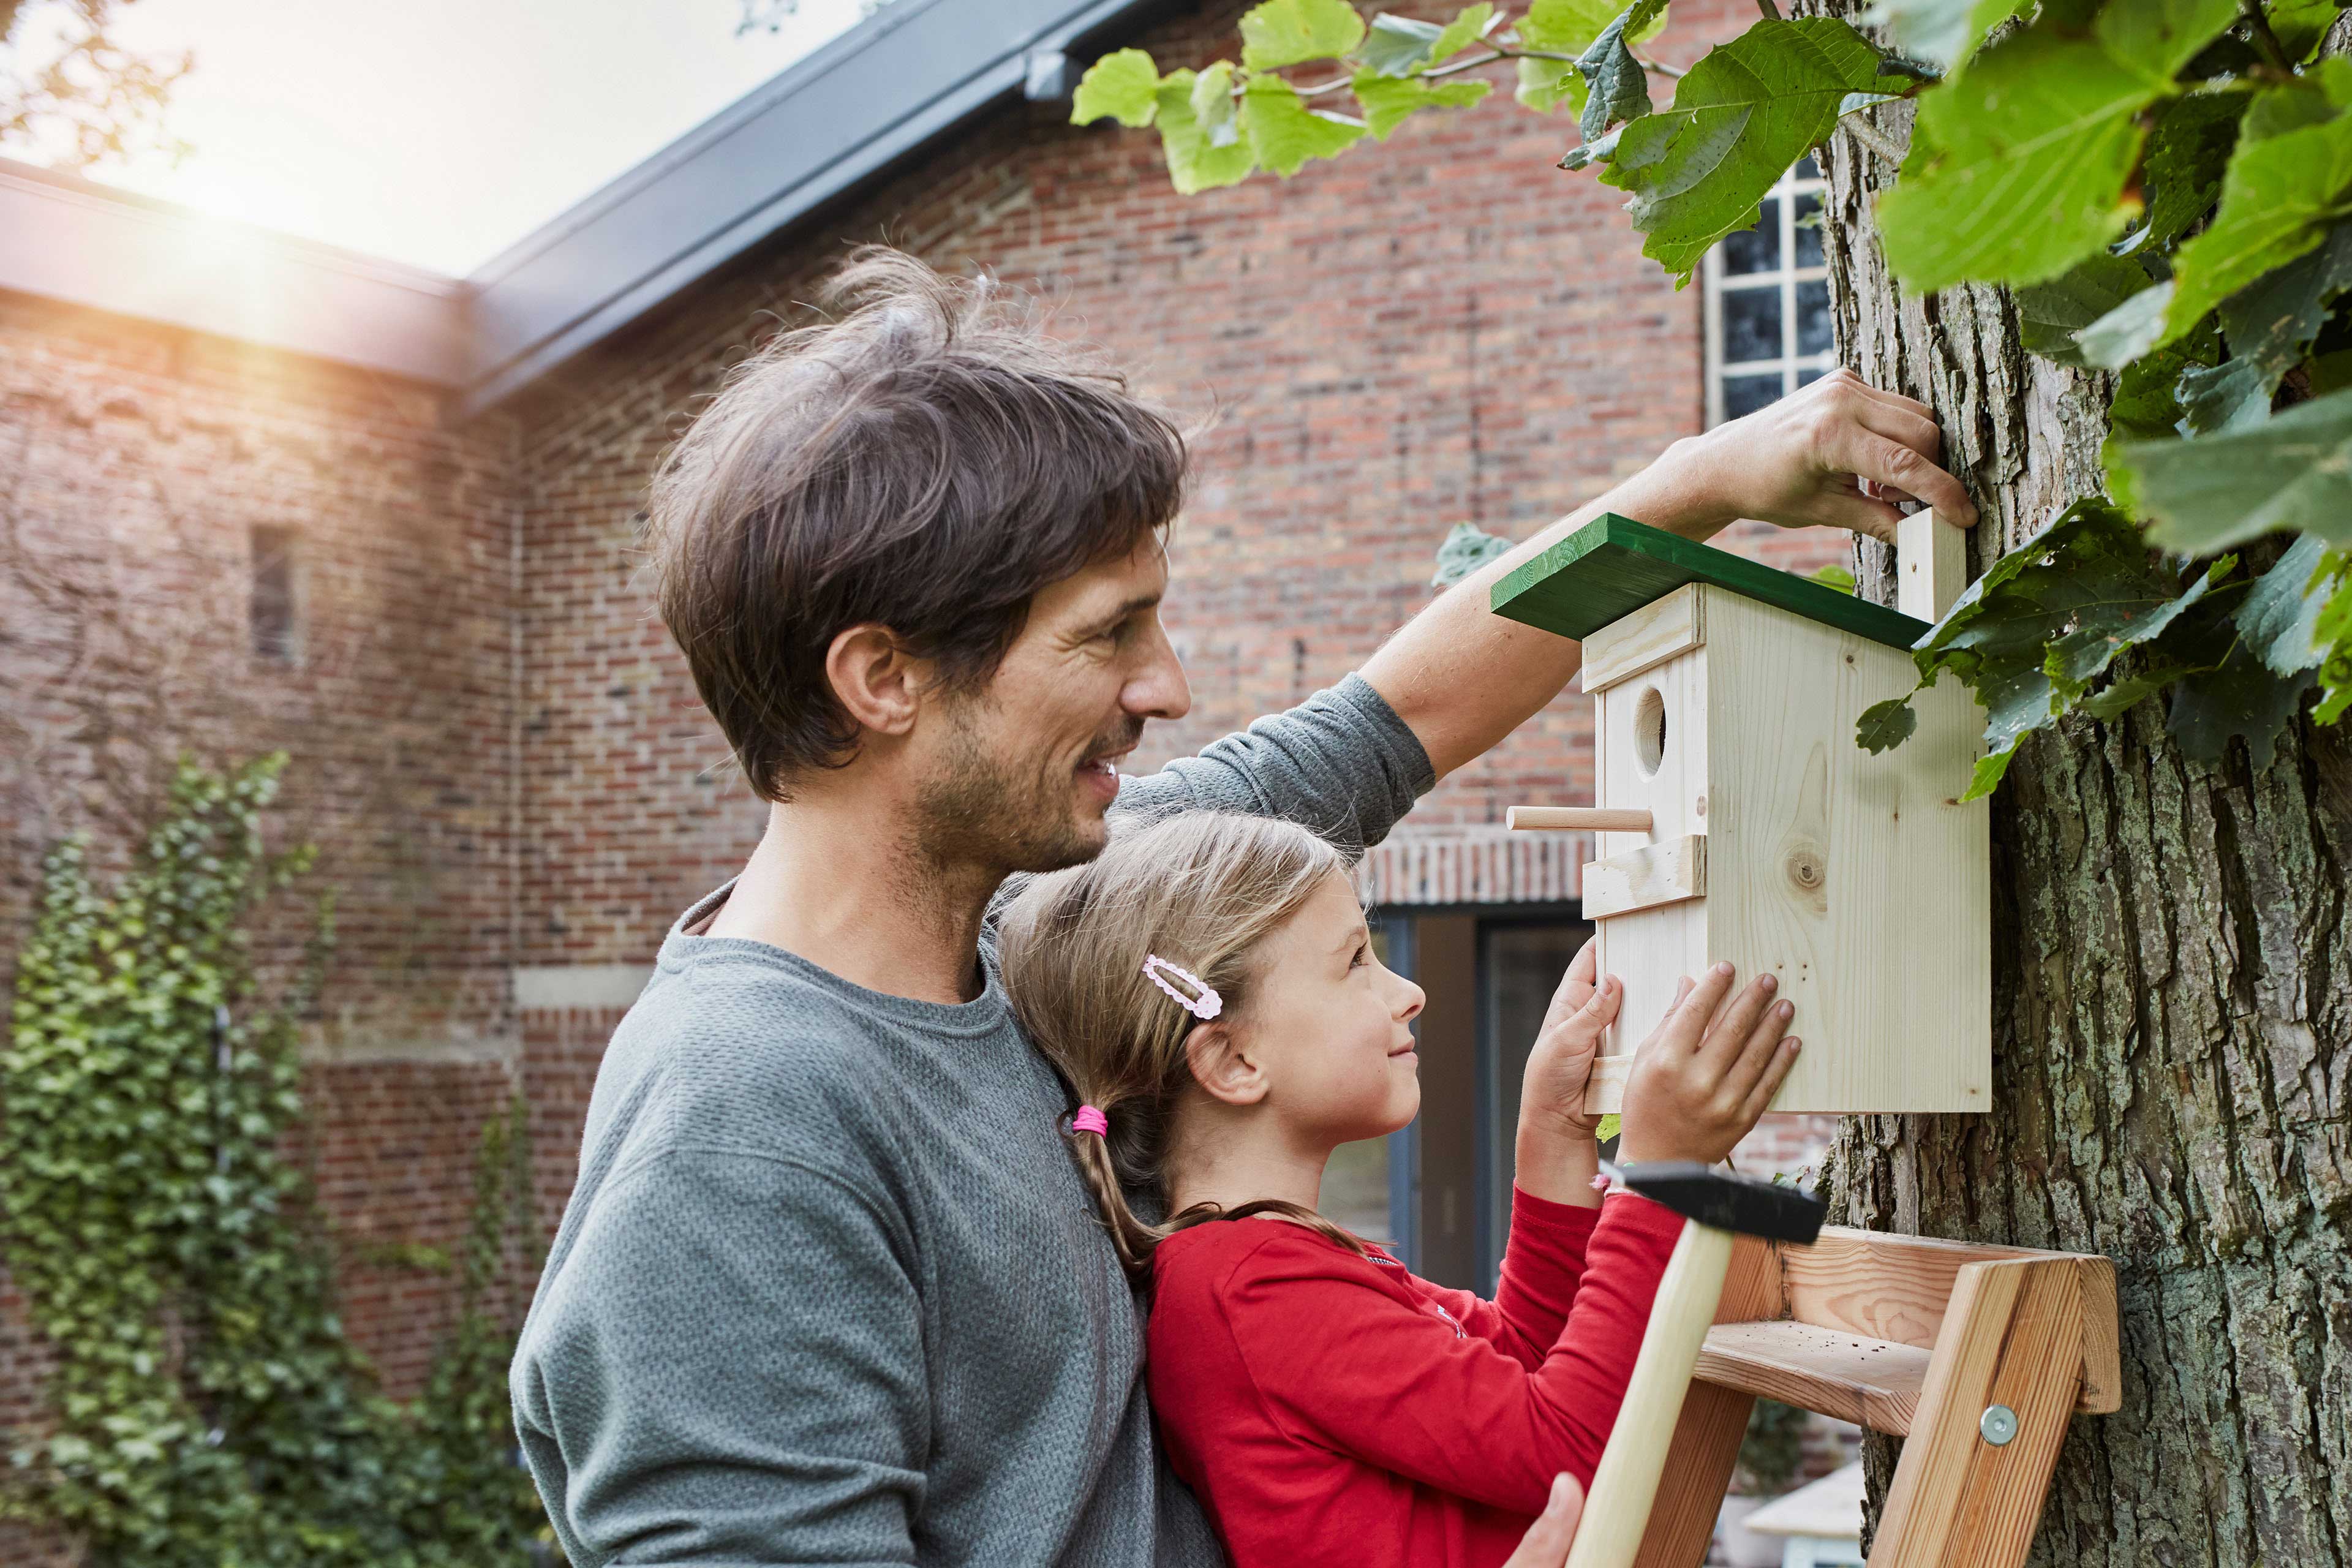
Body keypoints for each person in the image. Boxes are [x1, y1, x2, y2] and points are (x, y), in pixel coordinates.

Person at [507, 248, 1973, 1568]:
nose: (1168, 687)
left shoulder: (1070, 906)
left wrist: (1705, 478)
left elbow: (1398, 714)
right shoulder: (746, 1123)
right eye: (1107, 635)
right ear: (882, 678)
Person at [997, 812, 1796, 1567]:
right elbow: (1570, 1449)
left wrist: (1549, 1137)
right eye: (1355, 961)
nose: (1407, 991)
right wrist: (1658, 1174)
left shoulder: (1274, 1265)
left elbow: (1526, 1367)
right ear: (1233, 1062)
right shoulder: (1250, 1291)